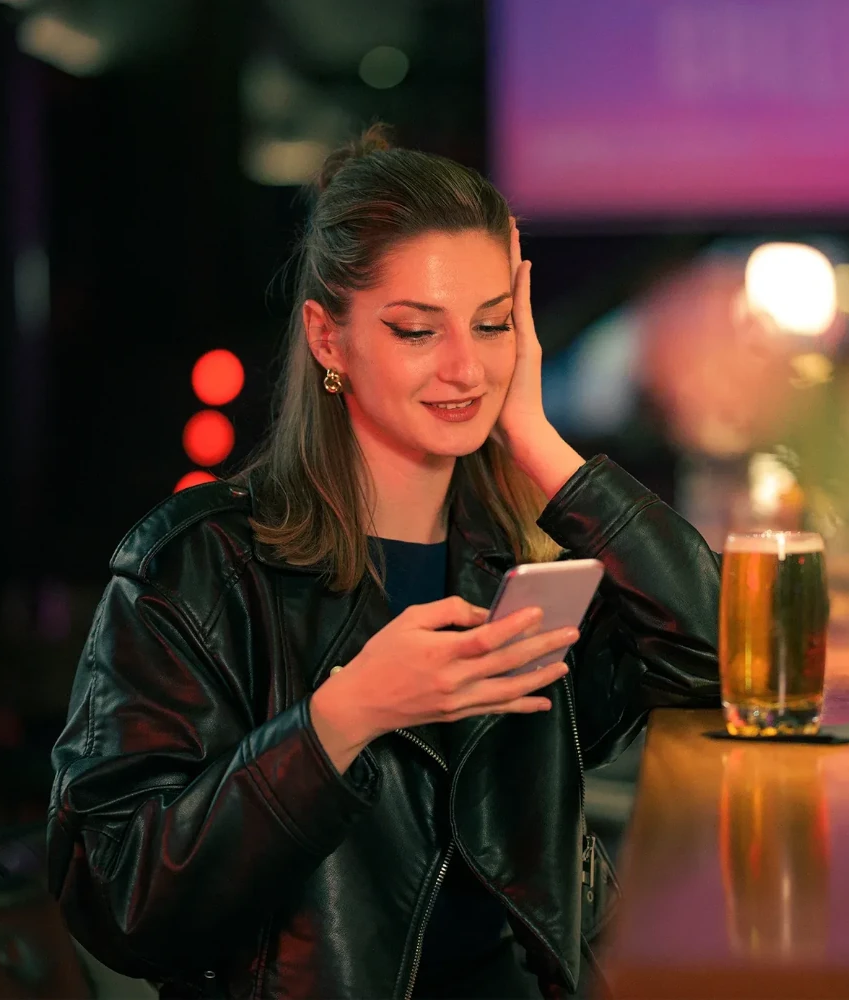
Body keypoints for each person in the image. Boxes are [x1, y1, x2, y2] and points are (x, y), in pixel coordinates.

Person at [47, 126, 721, 1000]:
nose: (464, 368)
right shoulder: (198, 566)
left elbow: (714, 655)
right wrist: (339, 721)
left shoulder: (507, 562)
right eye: (415, 331)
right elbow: (116, 899)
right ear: (329, 341)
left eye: (492, 326)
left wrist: (537, 438)